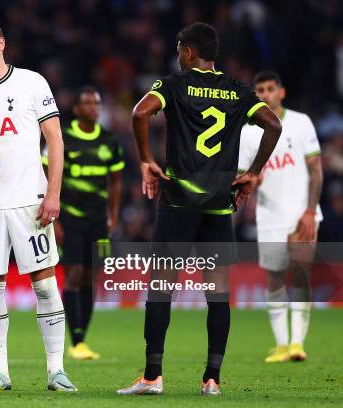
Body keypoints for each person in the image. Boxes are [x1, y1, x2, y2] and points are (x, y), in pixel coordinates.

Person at [116, 22, 281, 396]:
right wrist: (253, 173)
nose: (177, 55)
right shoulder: (239, 91)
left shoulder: (174, 85)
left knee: (160, 289)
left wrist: (145, 160)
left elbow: (140, 113)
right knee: (218, 294)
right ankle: (212, 379)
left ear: (188, 52)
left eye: (179, 49)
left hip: (178, 203)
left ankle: (152, 377)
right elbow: (272, 123)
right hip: (219, 207)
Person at [0, 15, 77, 392]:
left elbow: (55, 141)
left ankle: (56, 371)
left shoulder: (32, 82)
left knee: (45, 286)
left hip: (31, 201)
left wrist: (53, 193)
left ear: (1, 43)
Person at [239, 70, 323, 363]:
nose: (264, 94)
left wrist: (311, 211)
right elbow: (243, 175)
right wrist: (252, 180)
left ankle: (298, 343)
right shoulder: (248, 132)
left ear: (281, 92)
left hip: (302, 213)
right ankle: (281, 344)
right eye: (259, 90)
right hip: (269, 216)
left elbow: (315, 169)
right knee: (274, 279)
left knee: (300, 275)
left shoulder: (300, 123)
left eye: (269, 89)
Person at [45, 86, 124, 360]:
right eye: (87, 102)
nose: (93, 107)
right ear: (77, 109)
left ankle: (83, 339)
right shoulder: (63, 139)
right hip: (71, 217)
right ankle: (76, 339)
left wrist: (113, 213)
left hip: (98, 220)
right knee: (75, 273)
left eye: (97, 102)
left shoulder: (110, 140)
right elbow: (46, 173)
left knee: (93, 276)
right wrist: (53, 219)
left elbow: (116, 180)